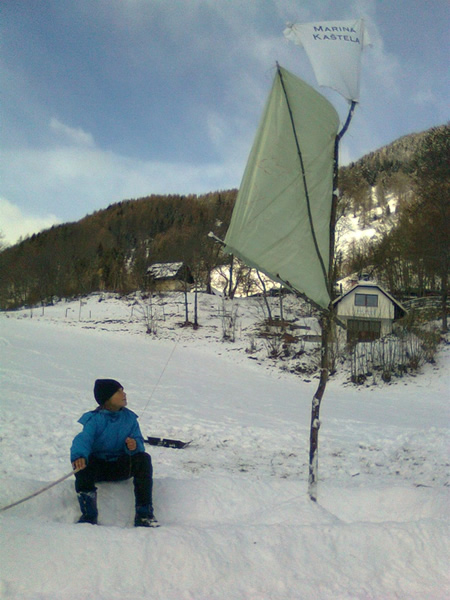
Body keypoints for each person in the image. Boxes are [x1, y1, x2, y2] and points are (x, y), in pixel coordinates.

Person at [70, 378, 158, 527]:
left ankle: (144, 514)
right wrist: (79, 456)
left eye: (123, 390)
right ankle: (89, 515)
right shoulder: (95, 419)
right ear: (107, 398)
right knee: (82, 464)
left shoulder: (130, 418)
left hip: (121, 466)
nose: (124, 394)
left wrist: (134, 445)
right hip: (98, 468)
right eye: (118, 391)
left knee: (143, 459)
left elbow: (138, 442)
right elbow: (83, 439)